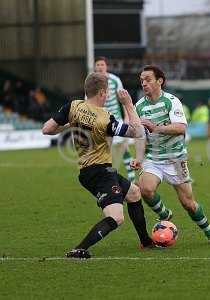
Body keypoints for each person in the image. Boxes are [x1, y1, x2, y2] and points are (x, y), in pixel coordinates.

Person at [42, 72, 155, 259]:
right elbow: (137, 132)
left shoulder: (73, 106)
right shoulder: (105, 118)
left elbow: (47, 129)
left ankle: (146, 242)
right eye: (108, 92)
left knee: (134, 193)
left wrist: (72, 125)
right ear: (102, 93)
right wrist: (127, 104)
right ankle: (79, 249)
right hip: (100, 172)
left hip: (89, 170)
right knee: (116, 217)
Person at [132, 65, 210, 244]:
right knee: (144, 189)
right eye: (141, 80)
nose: (143, 83)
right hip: (153, 158)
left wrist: (156, 128)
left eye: (148, 79)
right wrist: (138, 158)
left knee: (189, 204)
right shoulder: (139, 106)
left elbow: (181, 128)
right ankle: (165, 214)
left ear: (159, 81)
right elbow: (140, 136)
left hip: (175, 159)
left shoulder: (172, 101)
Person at [94, 56, 136, 182]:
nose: (100, 67)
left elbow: (123, 98)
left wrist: (127, 117)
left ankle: (132, 178)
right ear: (95, 67)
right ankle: (109, 178)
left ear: (106, 66)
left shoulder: (114, 80)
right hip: (101, 122)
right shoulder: (92, 81)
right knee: (105, 151)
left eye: (102, 64)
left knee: (124, 148)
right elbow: (87, 102)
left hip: (116, 120)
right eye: (98, 65)